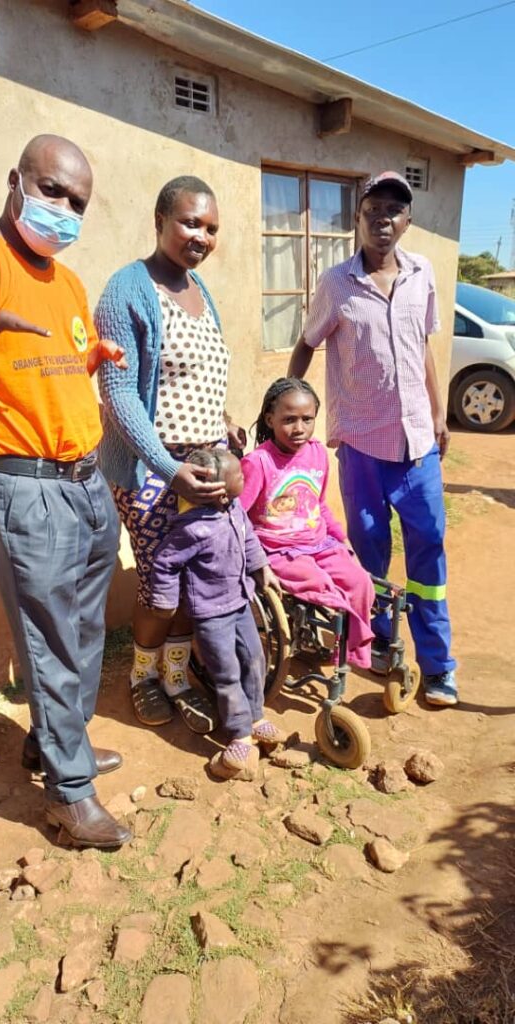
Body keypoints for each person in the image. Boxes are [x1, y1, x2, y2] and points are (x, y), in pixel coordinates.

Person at [0, 134, 132, 849]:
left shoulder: (70, 283)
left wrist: (94, 357)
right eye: (53, 190)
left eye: (77, 201)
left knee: (81, 630)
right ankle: (69, 798)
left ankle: (54, 743)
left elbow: (52, 369)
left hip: (85, 479)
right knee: (49, 638)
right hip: (27, 485)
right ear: (15, 180)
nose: (64, 209)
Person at [288, 171, 457, 706]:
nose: (383, 217)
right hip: (361, 446)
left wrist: (439, 414)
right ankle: (381, 640)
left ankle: (437, 665)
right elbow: (307, 342)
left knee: (428, 551)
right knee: (369, 553)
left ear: (407, 221)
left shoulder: (422, 274)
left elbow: (422, 348)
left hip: (417, 445)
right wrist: (286, 403)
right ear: (357, 219)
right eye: (373, 209)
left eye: (394, 209)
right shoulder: (336, 284)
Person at [95, 175, 246, 733]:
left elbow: (198, 376)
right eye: (190, 222)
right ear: (160, 221)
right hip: (152, 469)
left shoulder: (200, 289)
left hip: (203, 466)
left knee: (198, 579)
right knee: (161, 586)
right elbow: (119, 391)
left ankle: (177, 676)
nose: (201, 236)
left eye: (211, 228)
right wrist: (170, 469)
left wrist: (223, 423)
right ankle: (143, 677)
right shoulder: (127, 289)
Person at [150, 448, 286, 780]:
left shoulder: (235, 509)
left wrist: (262, 568)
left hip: (241, 602)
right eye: (238, 475)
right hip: (212, 615)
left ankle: (256, 715)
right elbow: (165, 562)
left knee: (255, 659)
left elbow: (249, 539)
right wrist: (165, 601)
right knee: (226, 673)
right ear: (220, 491)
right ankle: (239, 733)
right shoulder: (193, 528)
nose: (244, 476)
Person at [241, 378, 375, 669]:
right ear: (270, 420)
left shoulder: (317, 454)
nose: (299, 428)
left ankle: (351, 648)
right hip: (277, 550)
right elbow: (238, 516)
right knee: (320, 583)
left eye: (307, 419)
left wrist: (343, 541)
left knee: (360, 582)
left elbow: (320, 504)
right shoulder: (258, 462)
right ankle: (337, 633)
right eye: (289, 419)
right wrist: (256, 561)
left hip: (318, 543)